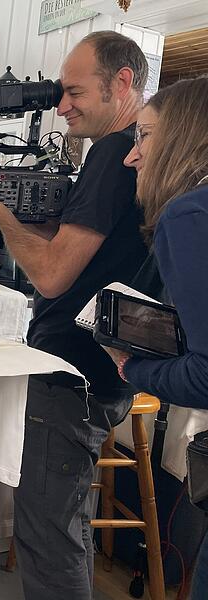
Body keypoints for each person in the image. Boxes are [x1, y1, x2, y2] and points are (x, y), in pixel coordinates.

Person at [0, 31, 149, 599]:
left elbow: (55, 274)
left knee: (48, 536)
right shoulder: (138, 154)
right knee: (61, 529)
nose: (61, 106)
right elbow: (78, 253)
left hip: (71, 373)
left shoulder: (114, 155)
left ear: (122, 83)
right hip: (102, 370)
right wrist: (10, 208)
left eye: (73, 91)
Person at [102, 76, 208, 600]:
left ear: (182, 138)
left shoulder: (188, 214)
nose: (131, 156)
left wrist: (132, 367)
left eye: (143, 137)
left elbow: (207, 375)